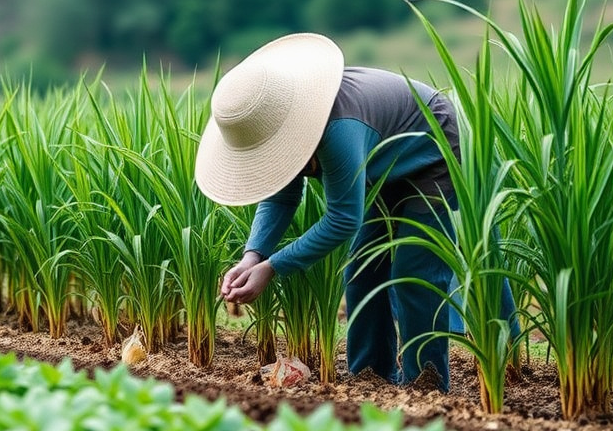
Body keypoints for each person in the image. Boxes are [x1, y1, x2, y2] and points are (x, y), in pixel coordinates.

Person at [194, 32, 517, 392]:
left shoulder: (336, 129)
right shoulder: (284, 128)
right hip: (383, 162)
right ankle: (370, 375)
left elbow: (343, 219)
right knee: (362, 267)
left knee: (414, 269)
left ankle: (425, 382)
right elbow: (281, 198)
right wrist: (251, 256)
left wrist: (272, 268)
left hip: (434, 147)